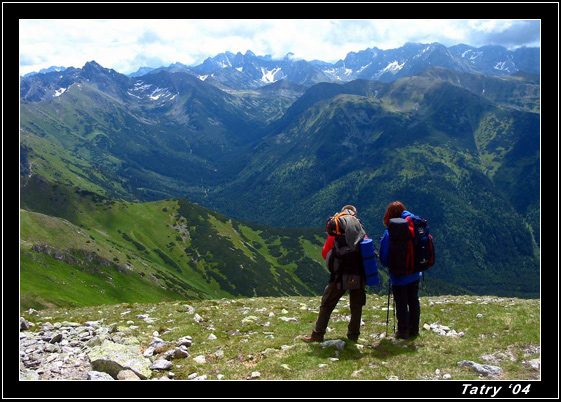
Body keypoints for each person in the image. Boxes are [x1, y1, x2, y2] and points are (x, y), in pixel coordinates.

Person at [303, 205, 367, 343]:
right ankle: (353, 336)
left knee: (327, 303)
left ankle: (317, 334)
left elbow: (325, 252)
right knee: (356, 306)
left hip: (340, 275)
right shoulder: (359, 229)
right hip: (359, 274)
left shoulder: (337, 232)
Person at [379, 201, 422, 339]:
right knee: (413, 300)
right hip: (414, 272)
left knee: (401, 302)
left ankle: (402, 330)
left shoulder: (389, 233)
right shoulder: (414, 229)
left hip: (398, 275)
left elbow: (384, 257)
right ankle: (414, 330)